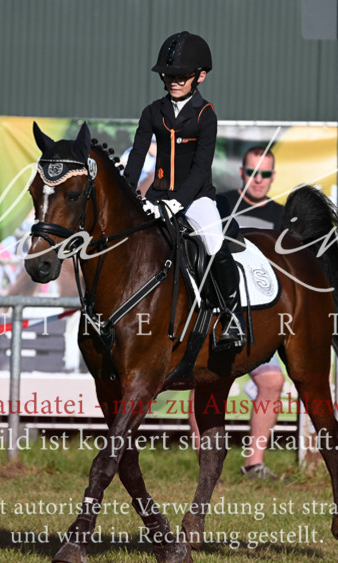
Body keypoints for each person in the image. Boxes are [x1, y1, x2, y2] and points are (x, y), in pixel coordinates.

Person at [122, 30, 244, 350]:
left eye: (181, 76)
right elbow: (137, 158)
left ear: (200, 76)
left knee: (214, 242)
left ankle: (231, 316)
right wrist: (128, 192)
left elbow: (201, 168)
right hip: (157, 196)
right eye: (168, 76)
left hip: (196, 199)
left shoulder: (206, 115)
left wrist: (179, 202)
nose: (174, 81)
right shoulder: (152, 112)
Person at [219, 147, 285, 479]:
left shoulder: (282, 217)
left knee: (272, 381)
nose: (258, 180)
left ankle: (253, 464)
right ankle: (208, 464)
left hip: (259, 318)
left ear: (273, 177)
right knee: (209, 383)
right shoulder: (220, 205)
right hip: (217, 313)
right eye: (252, 172)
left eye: (265, 174)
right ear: (241, 173)